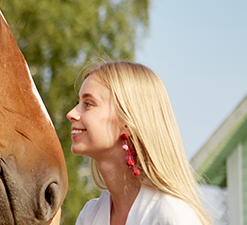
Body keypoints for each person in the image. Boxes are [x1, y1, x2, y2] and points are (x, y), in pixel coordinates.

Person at [67, 62, 211, 225]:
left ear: (128, 122)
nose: (71, 114)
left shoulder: (170, 215)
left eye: (88, 104)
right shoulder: (90, 216)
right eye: (79, 102)